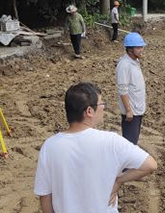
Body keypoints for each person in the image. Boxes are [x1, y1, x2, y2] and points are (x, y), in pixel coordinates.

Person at [34, 82, 157, 213]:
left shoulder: (50, 146)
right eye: (101, 104)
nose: (103, 107)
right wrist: (118, 181)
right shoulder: (111, 141)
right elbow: (150, 165)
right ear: (89, 111)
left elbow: (45, 195)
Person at [116, 32, 146, 145]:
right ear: (129, 49)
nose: (141, 49)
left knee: (134, 140)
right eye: (138, 47)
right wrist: (128, 110)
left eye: (141, 46)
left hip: (138, 109)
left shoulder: (134, 61)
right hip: (131, 112)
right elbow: (122, 90)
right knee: (129, 143)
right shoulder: (124, 65)